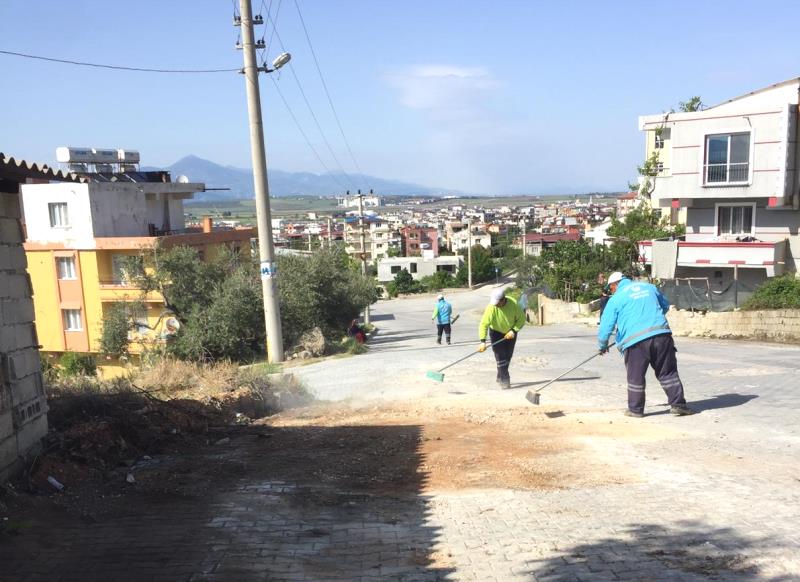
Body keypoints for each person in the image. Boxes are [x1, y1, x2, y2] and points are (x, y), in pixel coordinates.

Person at [598, 272, 695, 418]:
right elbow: (665, 305)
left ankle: (635, 410)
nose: (611, 291)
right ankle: (678, 405)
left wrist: (602, 345)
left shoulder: (616, 298)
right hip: (661, 335)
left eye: (610, 288)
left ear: (615, 284)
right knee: (668, 372)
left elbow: (606, 325)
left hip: (635, 341)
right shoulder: (649, 287)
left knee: (635, 376)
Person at [478, 288, 525, 389]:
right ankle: (505, 380)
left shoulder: (514, 304)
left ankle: (500, 376)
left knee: (508, 356)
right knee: (500, 357)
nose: (495, 305)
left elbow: (521, 319)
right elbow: (484, 324)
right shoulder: (491, 307)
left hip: (510, 333)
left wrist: (514, 330)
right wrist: (482, 341)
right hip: (496, 333)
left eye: (497, 303)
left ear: (503, 300)